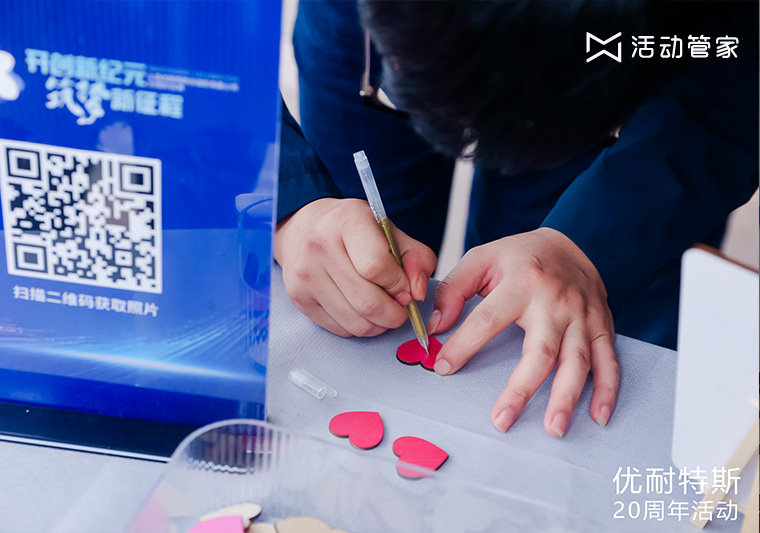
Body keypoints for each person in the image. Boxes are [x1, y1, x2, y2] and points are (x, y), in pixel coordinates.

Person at [275, 0, 759, 438]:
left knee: (551, 325)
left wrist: (584, 244)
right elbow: (226, 56)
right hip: (362, 29)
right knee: (352, 271)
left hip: (610, 57)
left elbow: (734, 83)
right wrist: (293, 201)